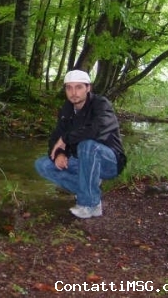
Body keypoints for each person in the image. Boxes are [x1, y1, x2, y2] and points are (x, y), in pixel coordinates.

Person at [35, 70, 126, 219]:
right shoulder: (67, 109)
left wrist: (66, 138)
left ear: (88, 88)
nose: (73, 92)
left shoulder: (101, 104)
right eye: (69, 88)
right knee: (43, 164)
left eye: (78, 87)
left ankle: (89, 204)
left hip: (109, 162)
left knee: (88, 145)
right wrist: (59, 154)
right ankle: (90, 193)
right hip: (82, 161)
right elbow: (55, 138)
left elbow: (97, 129)